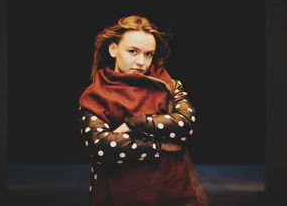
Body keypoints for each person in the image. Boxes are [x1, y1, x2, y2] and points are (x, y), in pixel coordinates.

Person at [78, 15, 209, 205]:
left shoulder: (169, 86)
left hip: (173, 194)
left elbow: (185, 125)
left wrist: (132, 124)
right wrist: (158, 146)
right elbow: (100, 148)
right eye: (133, 51)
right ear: (113, 49)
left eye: (148, 54)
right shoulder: (95, 95)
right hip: (119, 196)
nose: (141, 61)